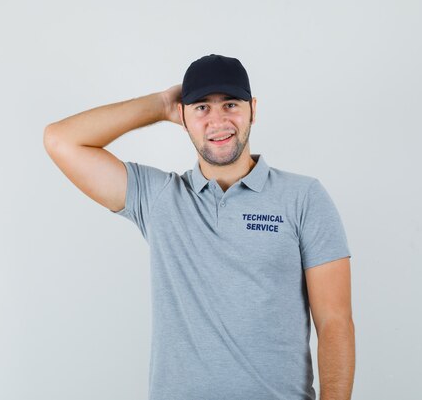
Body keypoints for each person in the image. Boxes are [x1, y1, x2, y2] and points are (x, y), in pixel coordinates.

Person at [43, 54, 355, 400]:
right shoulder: (159, 198)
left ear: (253, 109)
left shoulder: (303, 197)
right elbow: (61, 140)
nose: (218, 121)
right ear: (183, 116)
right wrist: (160, 104)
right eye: (202, 108)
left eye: (231, 104)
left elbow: (334, 323)